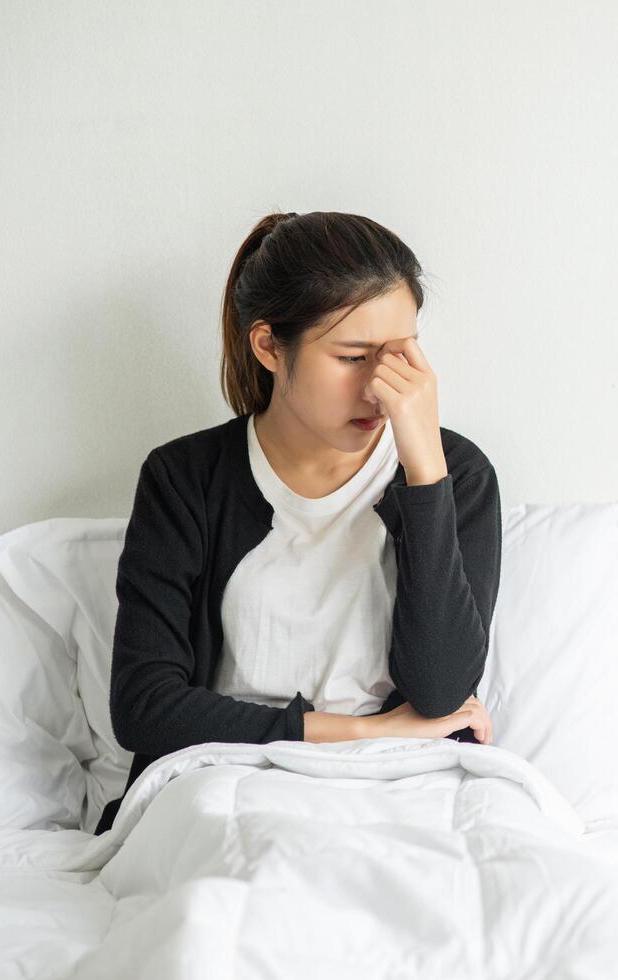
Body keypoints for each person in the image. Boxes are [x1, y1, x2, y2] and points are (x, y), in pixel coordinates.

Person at [93, 211, 501, 836]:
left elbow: (442, 688)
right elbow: (146, 708)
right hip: (231, 778)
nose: (380, 389)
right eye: (352, 357)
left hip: (405, 782)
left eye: (399, 355)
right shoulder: (184, 479)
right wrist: (366, 731)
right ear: (268, 347)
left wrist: (423, 470)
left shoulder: (455, 475)